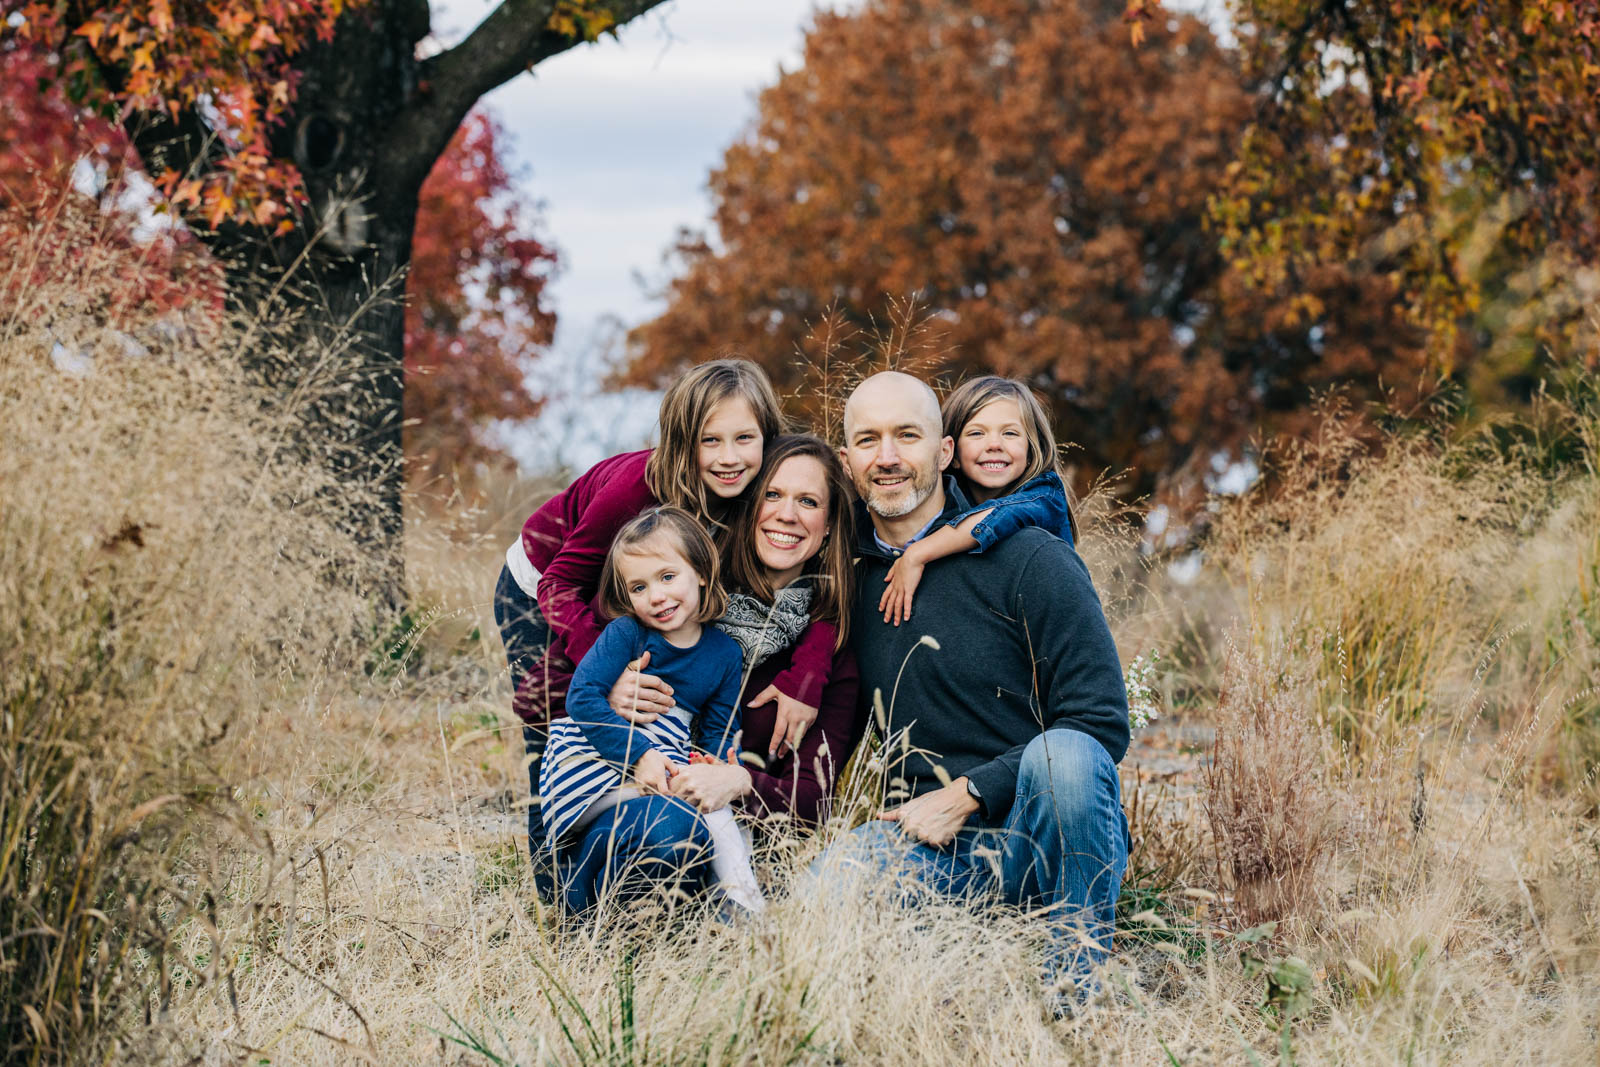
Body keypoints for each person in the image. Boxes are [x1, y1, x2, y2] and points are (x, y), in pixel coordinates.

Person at [814, 370, 1130, 1003]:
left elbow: (1099, 723)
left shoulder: (1029, 555)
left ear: (945, 451)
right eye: (869, 440)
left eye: (908, 435)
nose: (889, 457)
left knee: (1065, 754)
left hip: (1044, 829)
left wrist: (969, 793)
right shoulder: (843, 574)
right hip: (933, 848)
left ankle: (1076, 985)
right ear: (846, 461)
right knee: (830, 888)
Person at [492, 360, 833, 872]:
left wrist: (808, 670)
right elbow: (558, 583)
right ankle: (556, 877)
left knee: (652, 713)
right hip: (544, 589)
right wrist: (607, 673)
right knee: (565, 712)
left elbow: (830, 579)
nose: (729, 457)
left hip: (645, 594)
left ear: (767, 436)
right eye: (709, 441)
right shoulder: (638, 488)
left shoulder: (759, 484)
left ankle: (644, 842)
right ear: (681, 440)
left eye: (745, 438)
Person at [613, 435, 862, 828]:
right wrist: (614, 683)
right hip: (624, 798)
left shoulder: (828, 655)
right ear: (749, 505)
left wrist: (740, 783)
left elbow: (816, 802)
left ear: (829, 524)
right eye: (773, 494)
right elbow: (598, 637)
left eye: (808, 501)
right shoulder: (682, 594)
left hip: (727, 838)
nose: (787, 514)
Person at [539, 508, 763, 913]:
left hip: (667, 758)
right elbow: (583, 697)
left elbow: (719, 729)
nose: (656, 596)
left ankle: (742, 910)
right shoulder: (626, 632)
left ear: (700, 571)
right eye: (638, 587)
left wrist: (711, 766)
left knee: (720, 819)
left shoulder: (725, 653)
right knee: (689, 820)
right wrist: (639, 755)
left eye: (667, 577)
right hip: (597, 760)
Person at [877, 375, 1078, 625]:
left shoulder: (1046, 496)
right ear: (951, 452)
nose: (994, 444)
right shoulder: (946, 506)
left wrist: (917, 553)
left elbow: (1000, 516)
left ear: (1031, 449)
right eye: (976, 433)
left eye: (1010, 433)